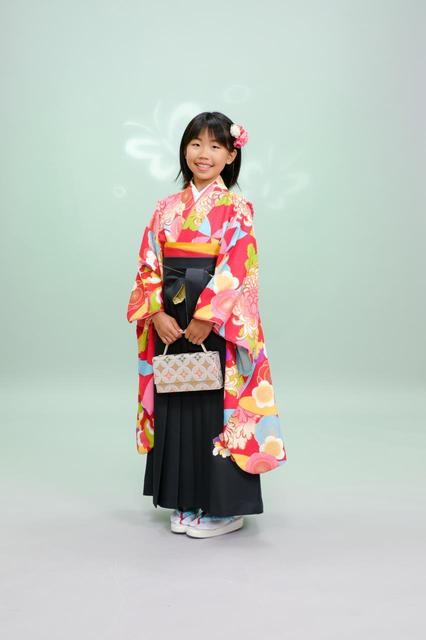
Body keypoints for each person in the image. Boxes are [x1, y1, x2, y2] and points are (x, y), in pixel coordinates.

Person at [127, 111, 286, 538]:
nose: (204, 153)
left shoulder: (236, 208)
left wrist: (206, 317)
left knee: (214, 407)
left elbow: (239, 266)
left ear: (231, 155)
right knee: (176, 398)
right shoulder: (165, 208)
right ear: (185, 149)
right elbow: (148, 261)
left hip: (215, 321)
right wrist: (156, 313)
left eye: (216, 146)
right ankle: (184, 500)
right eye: (196, 143)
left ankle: (223, 508)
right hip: (170, 316)